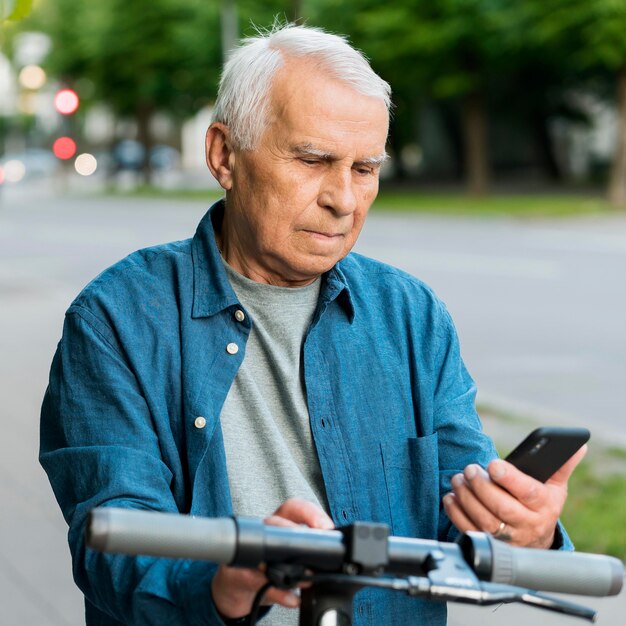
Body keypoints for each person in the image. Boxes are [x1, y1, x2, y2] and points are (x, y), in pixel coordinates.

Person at [40, 23, 585, 626]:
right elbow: (111, 537)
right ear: (224, 155)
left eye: (364, 169)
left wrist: (521, 530)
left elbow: (460, 528)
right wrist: (224, 580)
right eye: (314, 159)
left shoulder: (412, 316)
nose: (344, 200)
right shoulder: (117, 319)